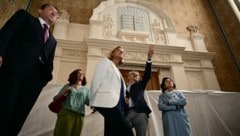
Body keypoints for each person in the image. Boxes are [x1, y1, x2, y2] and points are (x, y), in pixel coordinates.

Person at [0, 4, 59, 135]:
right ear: (40, 11)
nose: (54, 12)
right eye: (51, 9)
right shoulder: (25, 18)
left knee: (18, 118)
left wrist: (44, 80)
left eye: (56, 13)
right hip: (12, 71)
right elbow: (6, 32)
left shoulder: (53, 41)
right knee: (3, 110)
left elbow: (49, 64)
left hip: (33, 84)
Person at [90, 46, 134, 136]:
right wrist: (92, 100)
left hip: (117, 104)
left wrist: (124, 98)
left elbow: (117, 89)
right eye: (118, 50)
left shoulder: (117, 70)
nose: (121, 51)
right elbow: (96, 80)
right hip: (107, 103)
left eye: (123, 52)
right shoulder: (106, 62)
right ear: (113, 53)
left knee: (111, 132)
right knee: (127, 130)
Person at [125, 45, 154, 136]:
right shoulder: (123, 86)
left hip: (140, 112)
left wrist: (149, 58)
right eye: (132, 74)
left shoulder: (140, 84)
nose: (135, 75)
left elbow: (147, 75)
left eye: (136, 75)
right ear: (129, 77)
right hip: (127, 113)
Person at [53, 69, 90, 136]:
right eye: (78, 73)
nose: (81, 74)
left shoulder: (86, 90)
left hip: (79, 116)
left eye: (82, 73)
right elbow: (56, 98)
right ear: (74, 75)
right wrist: (65, 92)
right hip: (66, 114)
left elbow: (89, 102)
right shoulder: (68, 86)